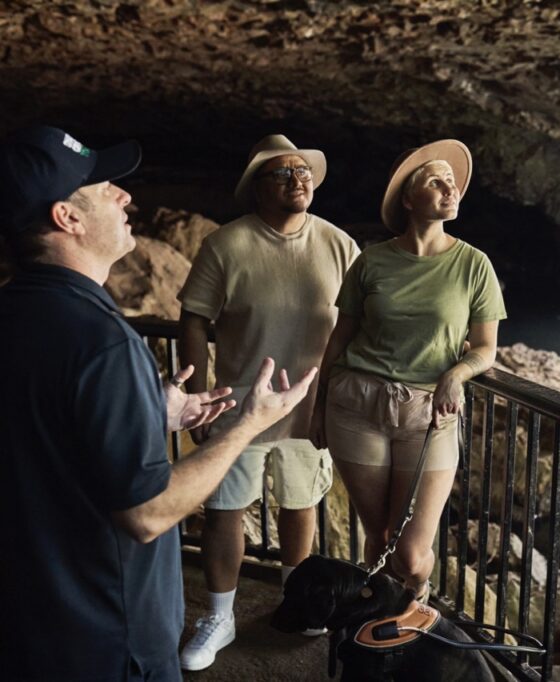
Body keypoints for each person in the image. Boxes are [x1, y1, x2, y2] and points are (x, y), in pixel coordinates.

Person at [0, 125, 316, 681]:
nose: (125, 196)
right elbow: (147, 514)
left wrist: (151, 414)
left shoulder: (17, 313)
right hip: (108, 640)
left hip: (30, 625)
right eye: (103, 188)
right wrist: (249, 424)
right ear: (66, 218)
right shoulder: (103, 342)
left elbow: (46, 437)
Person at [176, 134, 360, 670]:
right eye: (283, 173)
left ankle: (295, 602)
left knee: (300, 505)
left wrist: (334, 399)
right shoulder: (225, 245)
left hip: (309, 406)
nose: (298, 178)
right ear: (257, 187)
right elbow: (194, 318)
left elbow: (357, 324)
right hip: (239, 405)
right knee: (224, 510)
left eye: (303, 171)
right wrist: (198, 395)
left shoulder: (339, 243)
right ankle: (219, 616)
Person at [311, 139, 506, 601]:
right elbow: (339, 339)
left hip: (428, 415)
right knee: (378, 538)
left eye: (453, 183)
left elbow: (484, 349)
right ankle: (381, 629)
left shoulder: (474, 265)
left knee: (413, 554)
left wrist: (455, 375)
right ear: (407, 198)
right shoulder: (372, 261)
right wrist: (316, 408)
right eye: (436, 181)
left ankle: (415, 613)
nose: (450, 188)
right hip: (356, 406)